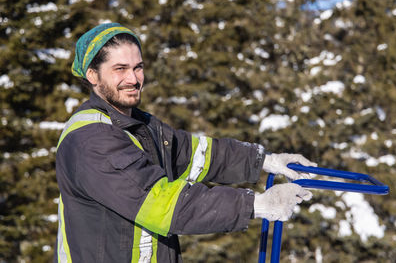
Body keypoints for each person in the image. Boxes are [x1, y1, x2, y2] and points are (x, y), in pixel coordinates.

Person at [54, 23, 316, 263]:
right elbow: (162, 204)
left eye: (138, 67)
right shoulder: (91, 140)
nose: (133, 79)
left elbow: (199, 155)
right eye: (120, 69)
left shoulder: (141, 126)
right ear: (92, 75)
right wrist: (257, 205)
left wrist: (265, 161)